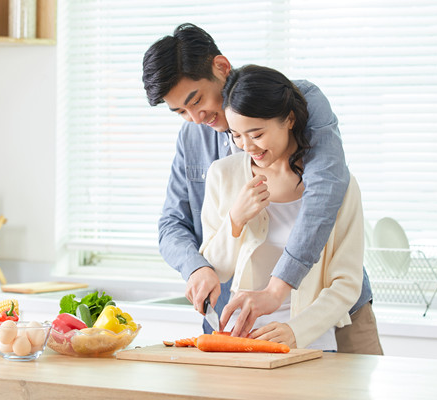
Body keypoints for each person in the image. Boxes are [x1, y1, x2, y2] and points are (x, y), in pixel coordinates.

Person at [142, 23, 383, 354]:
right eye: (180, 112)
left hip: (331, 318)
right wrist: (197, 267)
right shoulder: (206, 154)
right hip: (239, 321)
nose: (195, 118)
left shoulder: (297, 101)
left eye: (195, 100)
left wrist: (277, 292)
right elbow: (173, 223)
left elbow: (327, 190)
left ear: (221, 68)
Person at [200, 64, 363, 350]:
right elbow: (218, 271)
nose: (247, 146)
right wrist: (235, 220)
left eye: (257, 134)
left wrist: (295, 330)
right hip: (242, 341)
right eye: (236, 135)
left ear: (288, 119)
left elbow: (346, 283)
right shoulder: (223, 175)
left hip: (309, 341)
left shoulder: (339, 186)